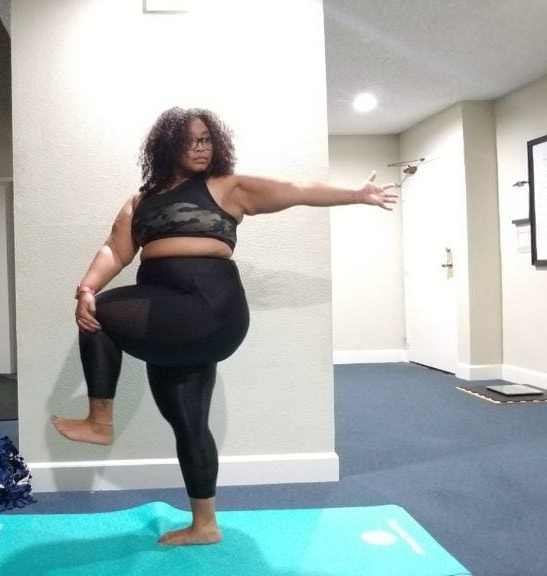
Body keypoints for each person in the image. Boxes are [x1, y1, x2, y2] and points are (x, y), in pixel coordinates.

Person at [52, 107, 397, 546]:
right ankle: (205, 525)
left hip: (206, 308)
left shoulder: (226, 188)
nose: (201, 148)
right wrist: (85, 285)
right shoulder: (141, 200)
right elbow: (114, 250)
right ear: (167, 145)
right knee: (188, 423)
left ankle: (99, 420)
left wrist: (354, 194)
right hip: (167, 321)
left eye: (207, 139)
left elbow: (296, 190)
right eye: (191, 140)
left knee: (99, 313)